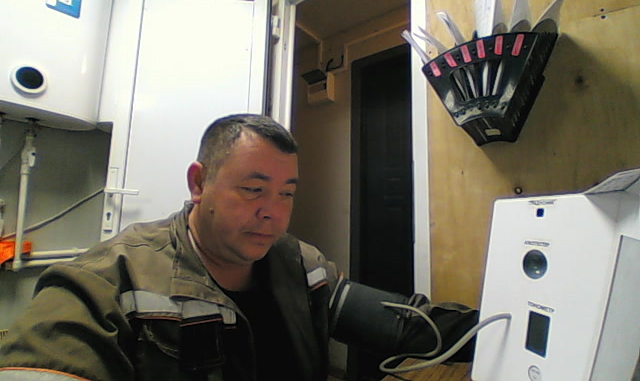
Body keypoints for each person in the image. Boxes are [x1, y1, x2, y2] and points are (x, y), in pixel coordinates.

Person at [0, 114, 478, 381]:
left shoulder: (302, 263)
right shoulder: (110, 279)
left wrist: (499, 332)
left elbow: (405, 324)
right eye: (253, 190)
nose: (274, 213)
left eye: (286, 194)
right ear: (199, 183)